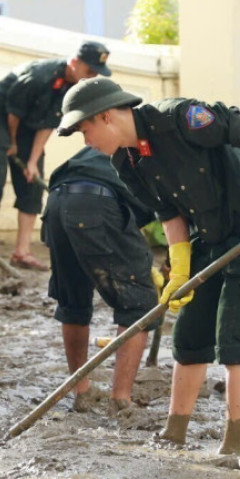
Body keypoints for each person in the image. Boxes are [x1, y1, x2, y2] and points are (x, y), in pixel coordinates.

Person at [58, 77, 240, 454]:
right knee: (188, 339)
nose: (85, 141)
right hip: (207, 236)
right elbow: (169, 214)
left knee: (235, 342)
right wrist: (181, 269)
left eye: (84, 130)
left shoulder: (180, 118)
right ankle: (173, 433)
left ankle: (232, 448)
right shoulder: (126, 161)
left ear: (105, 117)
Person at [0, 41, 112, 270]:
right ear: (74, 62)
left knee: (32, 182)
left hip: (31, 124)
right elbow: (13, 111)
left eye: (96, 73)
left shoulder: (73, 89)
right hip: (3, 117)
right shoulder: (39, 77)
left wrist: (32, 161)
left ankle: (22, 252)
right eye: (89, 70)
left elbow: (48, 124)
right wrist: (12, 142)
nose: (92, 76)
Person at [42, 146, 160, 414]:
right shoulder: (173, 152)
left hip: (57, 201)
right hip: (98, 203)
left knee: (72, 301)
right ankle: (120, 400)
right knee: (139, 303)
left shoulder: (119, 139)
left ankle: (81, 391)